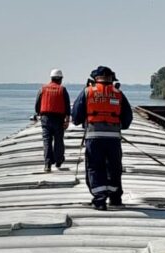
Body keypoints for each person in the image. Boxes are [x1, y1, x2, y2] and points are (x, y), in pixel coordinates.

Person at [71, 66, 133, 210]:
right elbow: (127, 118)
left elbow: (76, 116)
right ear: (112, 79)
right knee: (114, 168)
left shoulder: (88, 92)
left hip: (94, 137)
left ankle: (99, 200)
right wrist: (118, 126)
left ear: (94, 79)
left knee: (95, 167)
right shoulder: (118, 94)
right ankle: (115, 198)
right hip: (113, 139)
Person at [35, 69, 71, 172]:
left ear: (51, 78)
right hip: (59, 118)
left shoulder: (43, 88)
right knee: (58, 140)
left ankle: (47, 164)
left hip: (45, 118)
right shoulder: (62, 89)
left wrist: (39, 113)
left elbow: (37, 104)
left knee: (47, 141)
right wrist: (67, 120)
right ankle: (58, 160)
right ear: (60, 79)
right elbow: (67, 106)